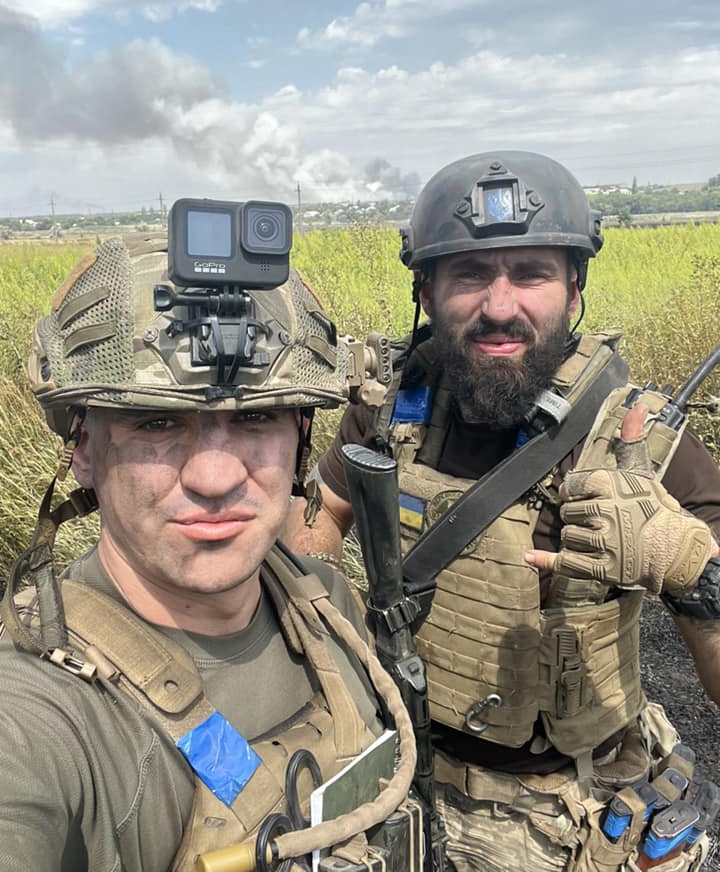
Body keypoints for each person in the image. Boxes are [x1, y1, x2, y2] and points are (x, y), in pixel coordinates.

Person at [284, 151, 720, 872]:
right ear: (425, 291)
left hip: (571, 810)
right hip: (404, 777)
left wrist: (692, 573)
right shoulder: (391, 411)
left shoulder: (641, 445)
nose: (499, 306)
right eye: (468, 274)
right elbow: (322, 516)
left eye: (531, 273)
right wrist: (323, 625)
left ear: (574, 290)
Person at [0, 230, 419, 872]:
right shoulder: (37, 714)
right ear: (82, 448)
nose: (216, 477)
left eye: (256, 418)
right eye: (157, 422)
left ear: (302, 438)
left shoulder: (322, 599)